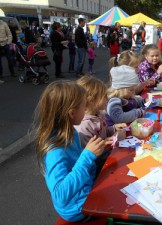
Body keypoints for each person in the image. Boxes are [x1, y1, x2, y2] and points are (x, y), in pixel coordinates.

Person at [34, 80, 112, 222]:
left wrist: (95, 154)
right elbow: (60, 195)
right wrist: (88, 155)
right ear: (71, 113)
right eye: (84, 105)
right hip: (79, 208)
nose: (86, 108)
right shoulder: (55, 148)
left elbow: (79, 163)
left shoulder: (70, 131)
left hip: (85, 187)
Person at [74, 75, 126, 147]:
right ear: (91, 100)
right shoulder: (84, 126)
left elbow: (103, 132)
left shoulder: (98, 113)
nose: (107, 99)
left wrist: (114, 128)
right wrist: (113, 139)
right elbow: (92, 152)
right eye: (104, 96)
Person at [106, 59, 147, 126]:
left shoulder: (126, 96)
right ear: (121, 89)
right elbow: (118, 117)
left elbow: (134, 101)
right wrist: (138, 112)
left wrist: (144, 101)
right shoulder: (114, 100)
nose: (133, 92)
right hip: (117, 132)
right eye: (131, 90)